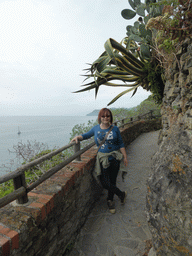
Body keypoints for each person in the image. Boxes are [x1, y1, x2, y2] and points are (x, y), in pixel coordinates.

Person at [71, 108, 128, 214]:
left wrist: (124, 156)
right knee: (104, 182)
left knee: (112, 181)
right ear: (100, 118)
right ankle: (121, 194)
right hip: (103, 159)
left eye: (107, 116)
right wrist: (77, 137)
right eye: (103, 116)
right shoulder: (96, 128)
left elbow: (120, 143)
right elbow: (86, 135)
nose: (105, 118)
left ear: (110, 117)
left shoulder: (114, 129)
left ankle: (110, 201)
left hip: (115, 158)